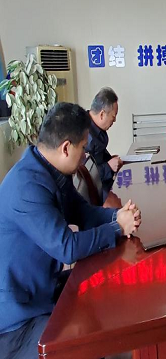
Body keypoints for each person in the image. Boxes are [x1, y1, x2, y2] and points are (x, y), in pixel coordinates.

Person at [0, 102, 141, 359]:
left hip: (44, 290)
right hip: (19, 320)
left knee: (107, 293)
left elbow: (83, 213)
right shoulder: (26, 186)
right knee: (83, 345)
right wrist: (117, 228)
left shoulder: (50, 170)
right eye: (83, 148)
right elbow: (67, 248)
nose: (86, 155)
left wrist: (118, 216)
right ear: (66, 148)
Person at [86, 87, 122, 203]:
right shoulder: (85, 135)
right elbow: (86, 174)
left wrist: (110, 160)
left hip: (105, 183)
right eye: (113, 116)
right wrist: (108, 166)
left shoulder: (96, 128)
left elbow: (100, 156)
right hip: (95, 192)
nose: (114, 120)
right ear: (102, 114)